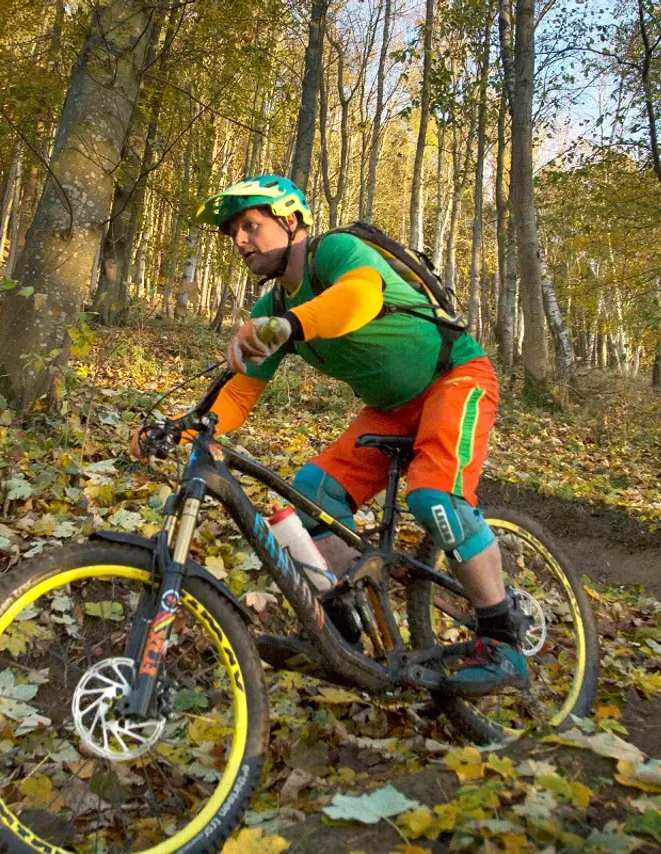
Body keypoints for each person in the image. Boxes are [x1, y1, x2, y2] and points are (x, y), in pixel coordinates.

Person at [184, 174, 523, 689]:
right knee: (312, 495)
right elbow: (237, 396)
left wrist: (290, 327)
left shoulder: (336, 252)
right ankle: (352, 634)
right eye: (234, 233)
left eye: (251, 225)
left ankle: (503, 639)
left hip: (455, 377)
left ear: (290, 220)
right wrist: (181, 432)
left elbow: (359, 298)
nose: (241, 241)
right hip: (390, 408)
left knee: (434, 496)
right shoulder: (270, 309)